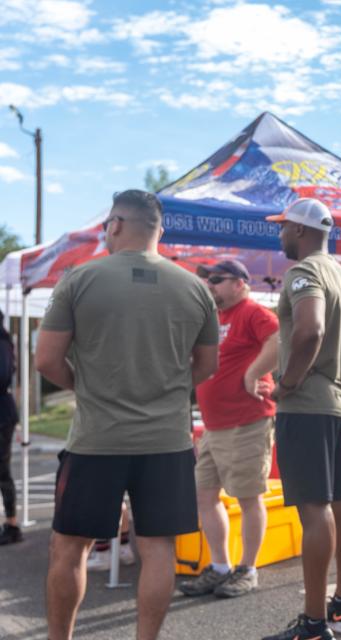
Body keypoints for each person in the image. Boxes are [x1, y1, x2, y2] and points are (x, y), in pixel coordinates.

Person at [36, 190, 219, 640]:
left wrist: (89, 387)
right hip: (168, 441)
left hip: (97, 440)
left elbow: (46, 361)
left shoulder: (80, 279)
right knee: (159, 549)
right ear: (161, 230)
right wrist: (167, 389)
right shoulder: (195, 287)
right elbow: (206, 366)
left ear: (115, 225)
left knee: (69, 548)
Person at [261, 197, 341, 640]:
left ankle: (312, 625)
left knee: (315, 511)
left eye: (284, 227)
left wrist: (290, 382)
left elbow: (310, 329)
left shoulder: (305, 272)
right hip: (337, 404)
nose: (281, 235)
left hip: (306, 407)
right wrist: (338, 371)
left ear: (300, 231)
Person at [179, 259, 279, 598]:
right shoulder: (215, 317)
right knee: (204, 495)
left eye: (217, 280)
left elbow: (280, 340)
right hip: (213, 426)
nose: (210, 286)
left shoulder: (253, 311)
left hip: (247, 421)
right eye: (208, 280)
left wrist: (253, 374)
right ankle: (221, 566)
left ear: (239, 282)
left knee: (248, 497)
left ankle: (247, 569)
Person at [0, 310, 21, 546]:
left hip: (2, 416)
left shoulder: (2, 342)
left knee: (2, 472)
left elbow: (3, 375)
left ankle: (12, 524)